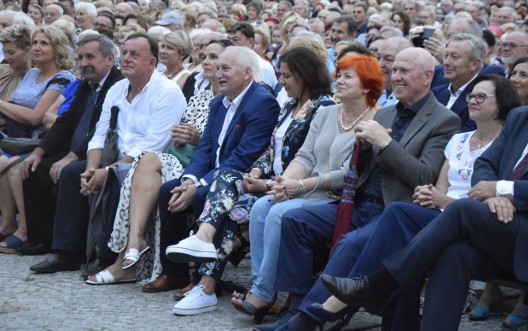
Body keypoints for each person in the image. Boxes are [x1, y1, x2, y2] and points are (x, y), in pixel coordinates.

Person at [321, 44, 528, 331]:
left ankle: (378, 282)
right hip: (503, 228)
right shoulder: (523, 116)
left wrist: (504, 191)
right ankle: (384, 294)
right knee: (420, 227)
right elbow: (486, 163)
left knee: (462, 210)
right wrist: (492, 193)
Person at [265, 48, 460, 330]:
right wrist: (366, 149)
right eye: (395, 70)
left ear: (428, 76)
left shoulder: (444, 119)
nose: (397, 76)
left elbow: (425, 176)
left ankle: (307, 320)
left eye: (405, 71)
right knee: (294, 220)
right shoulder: (386, 114)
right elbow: (362, 169)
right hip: (358, 203)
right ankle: (294, 309)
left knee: (350, 243)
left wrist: (385, 144)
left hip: (394, 212)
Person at [313, 74, 520, 330]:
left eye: (481, 96)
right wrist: (429, 195)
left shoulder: (509, 145)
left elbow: (487, 198)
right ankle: (373, 299)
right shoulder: (460, 140)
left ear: (502, 104)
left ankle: (357, 291)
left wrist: (440, 198)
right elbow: (441, 188)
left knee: (399, 217)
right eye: (471, 96)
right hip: (440, 215)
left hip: (472, 222)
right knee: (402, 236)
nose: (473, 101)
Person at [231, 53, 373, 322]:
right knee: (262, 207)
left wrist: (298, 185)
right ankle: (263, 290)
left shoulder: (374, 118)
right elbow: (305, 156)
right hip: (307, 187)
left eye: (347, 77)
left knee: (277, 213)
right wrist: (285, 181)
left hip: (338, 196)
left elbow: (348, 174)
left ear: (367, 86)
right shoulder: (329, 112)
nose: (338, 81)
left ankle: (265, 293)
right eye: (338, 75)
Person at [29, 33, 186, 273]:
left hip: (150, 167)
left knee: (115, 176)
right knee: (73, 172)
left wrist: (106, 171)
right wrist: (93, 167)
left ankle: (106, 257)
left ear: (152, 63)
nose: (127, 59)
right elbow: (99, 135)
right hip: (113, 159)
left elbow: (152, 145)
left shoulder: (168, 92)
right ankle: (66, 252)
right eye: (125, 53)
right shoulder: (117, 89)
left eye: (135, 54)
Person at [141, 47, 280, 298]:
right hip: (214, 174)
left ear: (247, 73)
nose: (218, 74)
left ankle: (202, 280)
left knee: (199, 195)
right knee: (168, 191)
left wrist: (199, 185)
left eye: (225, 68)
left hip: (242, 178)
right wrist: (188, 180)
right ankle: (174, 272)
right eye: (217, 69)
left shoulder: (262, 102)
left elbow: (244, 156)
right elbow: (205, 148)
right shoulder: (218, 102)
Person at [84, 41, 224, 284]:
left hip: (202, 167)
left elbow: (220, 145)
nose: (207, 61)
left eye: (215, 57)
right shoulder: (201, 96)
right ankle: (128, 245)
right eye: (206, 56)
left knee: (138, 164)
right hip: (183, 160)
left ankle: (127, 253)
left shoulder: (230, 100)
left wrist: (196, 139)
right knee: (134, 164)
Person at [16, 34, 122, 256]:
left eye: (90, 57)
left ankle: (67, 250)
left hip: (101, 153)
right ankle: (41, 239)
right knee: (34, 168)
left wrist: (70, 157)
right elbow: (65, 122)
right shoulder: (85, 85)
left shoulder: (118, 85)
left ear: (109, 59)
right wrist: (39, 151)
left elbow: (98, 132)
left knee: (69, 171)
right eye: (80, 57)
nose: (83, 63)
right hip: (75, 149)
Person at [0, 26, 75, 252]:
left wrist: (2, 105)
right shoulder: (32, 74)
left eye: (44, 43)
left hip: (41, 139)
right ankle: (8, 222)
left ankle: (25, 229)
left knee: (12, 166)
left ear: (57, 48)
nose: (37, 48)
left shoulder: (62, 77)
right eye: (35, 43)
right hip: (16, 135)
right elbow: (15, 105)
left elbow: (36, 117)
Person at [433, 33, 486, 131]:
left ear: (474, 64)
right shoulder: (435, 93)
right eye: (446, 55)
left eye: (455, 57)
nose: (446, 62)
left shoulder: (482, 99)